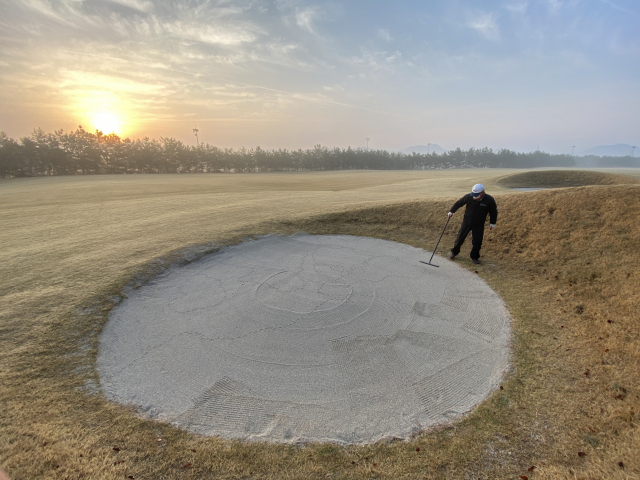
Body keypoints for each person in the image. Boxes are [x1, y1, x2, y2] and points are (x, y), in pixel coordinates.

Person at [447, 183, 497, 265]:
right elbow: (458, 203)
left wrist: (492, 222)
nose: (475, 196)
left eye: (477, 195)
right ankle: (454, 252)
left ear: (482, 192)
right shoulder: (469, 197)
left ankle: (474, 257)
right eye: (474, 194)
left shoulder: (489, 200)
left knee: (477, 241)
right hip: (467, 222)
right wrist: (451, 211)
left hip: (479, 224)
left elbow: (493, 212)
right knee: (459, 238)